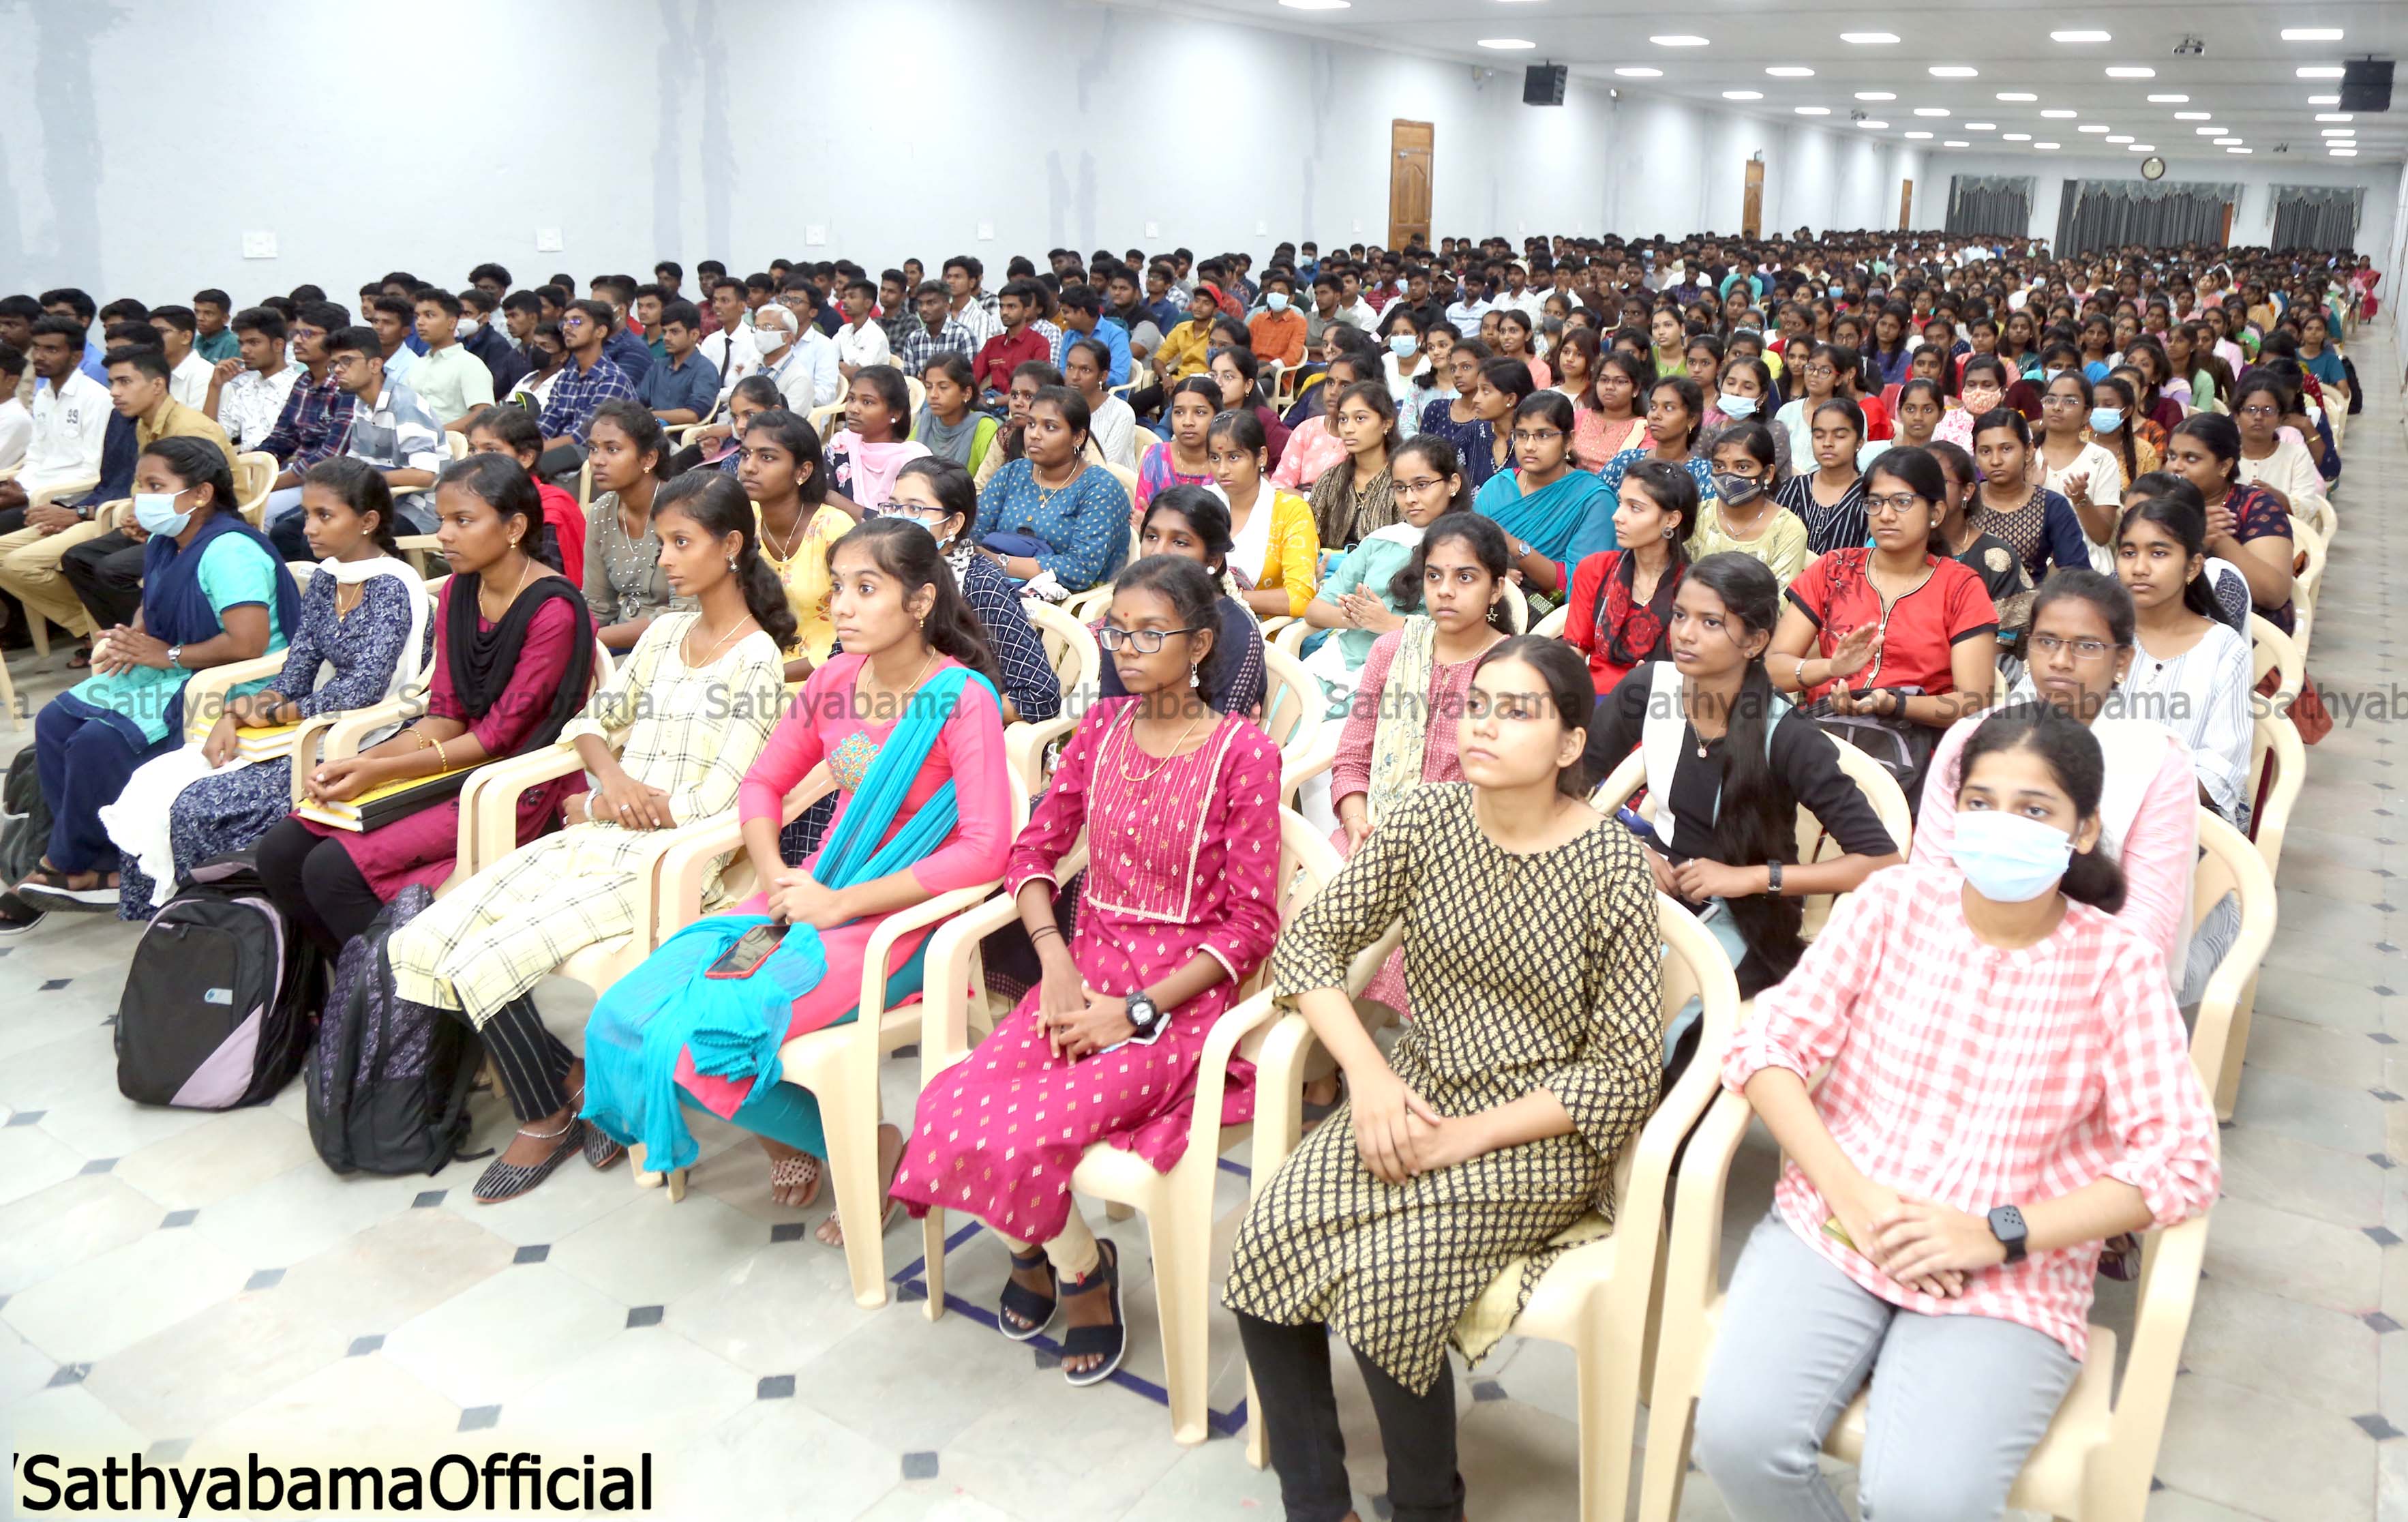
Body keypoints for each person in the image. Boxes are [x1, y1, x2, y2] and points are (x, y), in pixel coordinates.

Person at [1695, 702, 2219, 1522]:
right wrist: (1853, 1195)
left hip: (2007, 1272)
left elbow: (2181, 1161)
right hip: (1838, 1225)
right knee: (1735, 1438)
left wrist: (1995, 1231)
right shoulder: (1891, 905)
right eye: (1979, 803)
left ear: (2083, 831)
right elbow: (1767, 1049)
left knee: (1923, 1498)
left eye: (2033, 809)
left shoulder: (2115, 966)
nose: (1999, 827)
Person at [1226, 636, 1664, 1522]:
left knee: (1389, 1286)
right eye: (1477, 705)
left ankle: (1430, 1508)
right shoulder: (1429, 819)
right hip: (1417, 1088)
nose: (1485, 728)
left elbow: (1623, 1073)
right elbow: (1309, 944)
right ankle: (1318, 1505)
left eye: (1518, 711)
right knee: (1261, 1245)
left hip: (1537, 1133)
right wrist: (1371, 1078)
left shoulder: (1612, 866)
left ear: (1572, 746)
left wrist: (1462, 1137)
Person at [888, 553, 1280, 1379]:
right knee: (946, 1104)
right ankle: (1043, 1252)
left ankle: (1081, 1275)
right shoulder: (1100, 729)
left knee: (1025, 1131)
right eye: (1116, 633)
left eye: (1151, 634)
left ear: (1201, 644)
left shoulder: (1243, 752)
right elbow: (1033, 853)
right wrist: (1054, 958)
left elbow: (1250, 927)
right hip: (1081, 971)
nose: (1126, 649)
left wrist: (1133, 1012)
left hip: (1172, 1005)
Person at [582, 516, 1010, 1238]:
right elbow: (762, 786)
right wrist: (779, 873)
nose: (840, 605)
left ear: (919, 603)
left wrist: (840, 903)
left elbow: (984, 849)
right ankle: (823, 1138)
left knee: (702, 1047)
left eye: (865, 588)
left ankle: (863, 1153)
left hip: (896, 924)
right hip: (805, 896)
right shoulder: (837, 678)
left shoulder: (961, 700)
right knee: (626, 1017)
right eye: (837, 587)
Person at [386, 472, 789, 1202]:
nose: (663, 559)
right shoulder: (666, 634)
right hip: (605, 835)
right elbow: (588, 723)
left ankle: (543, 1116)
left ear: (730, 547)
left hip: (666, 863)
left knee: (483, 958)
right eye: (662, 541)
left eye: (680, 542)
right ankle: (574, 1081)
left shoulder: (755, 659)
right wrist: (608, 779)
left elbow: (712, 802)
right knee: (422, 940)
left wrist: (600, 807)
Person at [254, 454, 597, 959]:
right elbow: (444, 714)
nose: (444, 536)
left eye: (463, 521)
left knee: (332, 871)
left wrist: (378, 769)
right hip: (456, 761)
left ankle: (408, 1011)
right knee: (281, 852)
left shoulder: (554, 610)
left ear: (514, 527)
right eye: (441, 520)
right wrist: (363, 762)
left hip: (516, 782)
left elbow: (498, 738)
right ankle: (355, 998)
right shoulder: (461, 589)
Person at [108, 458, 430, 919]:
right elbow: (296, 673)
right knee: (154, 782)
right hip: (316, 722)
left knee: (200, 806)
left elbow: (365, 690)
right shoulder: (327, 578)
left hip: (367, 736)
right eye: (307, 513)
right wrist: (236, 713)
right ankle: (182, 929)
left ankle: (237, 927)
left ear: (368, 522)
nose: (309, 528)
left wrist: (274, 716)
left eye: (325, 516)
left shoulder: (392, 586)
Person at [1586, 548, 1901, 1006]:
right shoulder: (1649, 688)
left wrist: (1751, 879)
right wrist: (1628, 848)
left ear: (1755, 642)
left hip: (1749, 913)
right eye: (1680, 615)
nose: (1685, 634)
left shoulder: (1787, 735)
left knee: (1669, 1024)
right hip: (1653, 886)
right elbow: (1569, 788)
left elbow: (1881, 862)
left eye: (1711, 623)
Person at [15, 438, 300, 914]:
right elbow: (156, 602)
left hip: (232, 683)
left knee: (97, 742)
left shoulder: (230, 551)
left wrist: (163, 654)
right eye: (139, 485)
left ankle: (83, 865)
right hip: (176, 667)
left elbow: (247, 644)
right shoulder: (169, 541)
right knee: (53, 722)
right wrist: (132, 636)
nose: (141, 497)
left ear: (201, 494)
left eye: (155, 486)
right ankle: (87, 857)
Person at [1914, 571, 2198, 981]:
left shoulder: (2156, 761)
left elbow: (2146, 918)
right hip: (1959, 961)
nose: (2061, 661)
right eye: (2046, 641)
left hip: (2090, 977)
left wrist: (2045, 978)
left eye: (2086, 646)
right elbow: (1933, 878)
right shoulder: (1972, 736)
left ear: (2122, 660)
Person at [1325, 518, 1518, 1021]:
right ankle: (1320, 1064)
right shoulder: (1393, 649)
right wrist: (1356, 823)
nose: (1446, 592)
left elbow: (1515, 790)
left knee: (1412, 928)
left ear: (1498, 587)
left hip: (1466, 856)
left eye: (1466, 578)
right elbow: (1351, 759)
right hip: (1372, 832)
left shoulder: (1513, 670)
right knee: (1312, 899)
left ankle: (1401, 1063)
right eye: (1434, 577)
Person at [1771, 446, 1998, 786]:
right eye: (1875, 503)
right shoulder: (1835, 569)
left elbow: (1973, 700)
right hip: (1824, 739)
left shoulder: (1960, 586)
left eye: (1902, 502)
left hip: (1918, 750)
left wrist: (1894, 705)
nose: (1886, 515)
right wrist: (1830, 669)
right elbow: (1773, 669)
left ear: (1936, 511)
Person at [878, 457, 1061, 723]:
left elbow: (1040, 697)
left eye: (915, 510)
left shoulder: (981, 584)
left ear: (953, 524)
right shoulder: (880, 570)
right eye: (893, 506)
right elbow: (844, 659)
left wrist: (944, 719)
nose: (899, 519)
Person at [1300, 435, 1467, 711]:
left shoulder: (1469, 549)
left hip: (1409, 675)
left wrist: (1387, 623)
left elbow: (1465, 634)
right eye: (1400, 489)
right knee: (1285, 720)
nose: (1410, 499)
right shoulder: (1382, 541)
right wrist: (1357, 619)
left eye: (1422, 486)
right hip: (1342, 659)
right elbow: (1315, 611)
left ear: (1452, 485)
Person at [2112, 496, 2253, 824]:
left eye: (2158, 553)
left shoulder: (2223, 649)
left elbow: (2219, 770)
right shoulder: (2095, 634)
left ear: (2192, 567)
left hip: (2182, 820)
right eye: (2129, 553)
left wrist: (2134, 796)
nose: (2139, 568)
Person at [973, 385, 1132, 593]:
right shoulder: (1012, 474)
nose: (1034, 435)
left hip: (1072, 603)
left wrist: (998, 562)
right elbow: (975, 535)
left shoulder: (1100, 488)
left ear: (1078, 437)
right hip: (996, 586)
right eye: (1031, 424)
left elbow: (1078, 570)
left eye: (1050, 427)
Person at [736, 408, 854, 678]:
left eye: (767, 457)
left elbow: (858, 630)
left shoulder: (834, 529)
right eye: (745, 455)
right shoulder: (743, 521)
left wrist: (768, 674)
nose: (749, 467)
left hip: (825, 673)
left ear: (803, 471)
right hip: (752, 664)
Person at [1565, 459, 1700, 695]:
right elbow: (1574, 652)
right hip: (1592, 697)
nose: (1617, 516)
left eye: (1635, 508)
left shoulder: (1695, 591)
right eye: (1620, 503)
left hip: (1661, 702)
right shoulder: (1595, 570)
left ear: (1671, 520)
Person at [2164, 413, 2295, 633]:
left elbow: (2274, 593)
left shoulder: (2256, 506)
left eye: (2191, 459)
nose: (2176, 467)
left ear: (2224, 466)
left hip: (2249, 635)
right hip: (2164, 625)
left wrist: (2216, 538)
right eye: (2172, 456)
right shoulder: (2160, 501)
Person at [580, 400, 692, 653]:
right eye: (593, 449)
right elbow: (597, 605)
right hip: (613, 642)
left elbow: (684, 617)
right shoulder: (601, 511)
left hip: (673, 648)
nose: (598, 460)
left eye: (612, 450)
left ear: (649, 458)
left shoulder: (684, 512)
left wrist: (590, 638)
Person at [1478, 390, 1613, 597]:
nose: (1529, 446)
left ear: (1568, 441)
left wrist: (1514, 546)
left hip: (1556, 619)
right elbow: (1465, 553)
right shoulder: (1498, 487)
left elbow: (1580, 582)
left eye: (1543, 435)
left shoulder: (1594, 499)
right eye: (1522, 435)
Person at [1205, 408, 1319, 619]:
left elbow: (1300, 598)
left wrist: (1223, 598)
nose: (1222, 470)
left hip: (1264, 633)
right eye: (1214, 458)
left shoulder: (1290, 511)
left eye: (1234, 457)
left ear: (1261, 457)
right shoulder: (1201, 505)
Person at [1970, 408, 2093, 589]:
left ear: (2028, 452)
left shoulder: (2051, 505)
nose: (1996, 460)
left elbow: (2077, 573)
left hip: (2029, 612)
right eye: (1986, 451)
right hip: (1966, 609)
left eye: (2006, 449)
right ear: (1976, 457)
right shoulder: (1966, 502)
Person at [1927, 438, 2034, 636]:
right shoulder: (1899, 546)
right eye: (1919, 482)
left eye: (1940, 481)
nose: (1927, 490)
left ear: (1967, 491)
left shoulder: (1996, 557)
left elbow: (2006, 639)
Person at [1693, 421, 1808, 587]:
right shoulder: (1699, 515)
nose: (1728, 476)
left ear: (1768, 473)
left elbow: (1778, 603)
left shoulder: (1788, 529)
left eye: (1742, 467)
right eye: (1719, 466)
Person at [536, 300, 640, 479]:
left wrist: (532, 451)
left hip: (596, 456)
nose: (567, 328)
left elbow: (583, 436)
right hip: (561, 452)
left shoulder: (612, 379)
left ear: (600, 331)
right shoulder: (565, 378)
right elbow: (546, 425)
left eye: (577, 322)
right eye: (565, 322)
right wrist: (523, 447)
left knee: (533, 465)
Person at [2034, 370, 2122, 564]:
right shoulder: (2026, 456)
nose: (2057, 407)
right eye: (2051, 400)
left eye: (2070, 402)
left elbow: (2101, 536)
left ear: (2087, 414)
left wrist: (2081, 499)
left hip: (2087, 568)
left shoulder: (2101, 459)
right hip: (2032, 568)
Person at [822, 365, 930, 516]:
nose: (853, 409)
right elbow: (820, 500)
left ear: (896, 414)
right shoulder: (842, 444)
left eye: (867, 402)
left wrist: (835, 499)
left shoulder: (911, 460)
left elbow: (904, 524)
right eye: (852, 399)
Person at [1304, 380, 1400, 551]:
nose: (1348, 429)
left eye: (1360, 418)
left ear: (1387, 423)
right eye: (1343, 419)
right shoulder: (1330, 479)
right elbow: (1309, 539)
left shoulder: (1403, 481)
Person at [2229, 368, 2330, 528]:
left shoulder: (2296, 455)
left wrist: (2279, 499)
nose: (2259, 417)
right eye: (2251, 409)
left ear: (2280, 418)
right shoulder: (2224, 456)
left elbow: (2309, 506)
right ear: (2236, 416)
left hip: (2286, 540)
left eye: (2268, 410)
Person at [1772, 398, 1870, 558]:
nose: (1827, 443)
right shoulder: (1793, 488)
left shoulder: (1869, 497)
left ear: (1859, 443)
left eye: (1839, 436)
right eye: (1819, 436)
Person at [203, 305, 300, 453]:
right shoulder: (246, 391)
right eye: (242, 343)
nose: (244, 350)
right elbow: (210, 440)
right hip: (248, 470)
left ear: (278, 345)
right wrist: (215, 387)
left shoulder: (299, 388)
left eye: (253, 343)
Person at [403, 288, 497, 433]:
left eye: (429, 315)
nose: (420, 322)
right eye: (417, 316)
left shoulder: (469, 364)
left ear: (452, 323)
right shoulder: (417, 365)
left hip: (453, 448)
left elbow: (484, 413)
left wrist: (437, 433)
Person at [1137, 376, 1220, 514]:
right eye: (1179, 412)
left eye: (1199, 413)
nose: (1187, 422)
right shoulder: (1156, 456)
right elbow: (1141, 514)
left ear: (1216, 415)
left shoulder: (1226, 463)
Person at [637, 299, 719, 428]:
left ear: (694, 335)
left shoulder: (705, 369)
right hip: (651, 432)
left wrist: (651, 415)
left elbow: (693, 415)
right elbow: (638, 400)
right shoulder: (659, 366)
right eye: (665, 332)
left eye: (674, 332)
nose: (667, 338)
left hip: (683, 438)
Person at [1064, 337, 1136, 469]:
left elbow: (1104, 467)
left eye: (1085, 370)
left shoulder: (1121, 413)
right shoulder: (1060, 408)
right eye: (1070, 367)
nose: (1074, 377)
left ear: (1103, 376)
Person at [145, 306, 215, 411]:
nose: (152, 339)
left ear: (186, 337)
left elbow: (199, 425)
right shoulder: (153, 372)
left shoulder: (205, 375)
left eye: (160, 332)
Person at [832, 276, 892, 378]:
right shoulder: (844, 330)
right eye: (844, 297)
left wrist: (838, 366)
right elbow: (826, 358)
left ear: (867, 303)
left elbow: (858, 373)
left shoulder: (876, 336)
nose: (845, 301)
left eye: (852, 297)